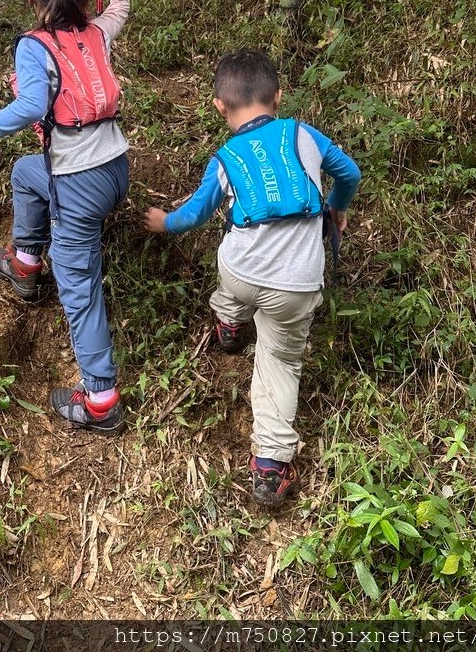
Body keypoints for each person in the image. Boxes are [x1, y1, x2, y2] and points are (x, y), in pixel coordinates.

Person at [144, 50, 361, 507]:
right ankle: (271, 466)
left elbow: (198, 213)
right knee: (280, 362)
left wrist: (164, 222)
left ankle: (228, 322)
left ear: (220, 106)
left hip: (239, 274)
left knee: (233, 273)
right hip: (297, 287)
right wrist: (337, 206)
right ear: (278, 96)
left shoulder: (224, 157)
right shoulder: (303, 135)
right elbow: (350, 173)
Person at [0, 0, 129, 436]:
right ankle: (26, 263)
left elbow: (31, 105)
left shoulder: (34, 47)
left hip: (79, 183)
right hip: (115, 171)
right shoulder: (99, 29)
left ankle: (101, 399)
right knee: (27, 172)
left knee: (80, 287)